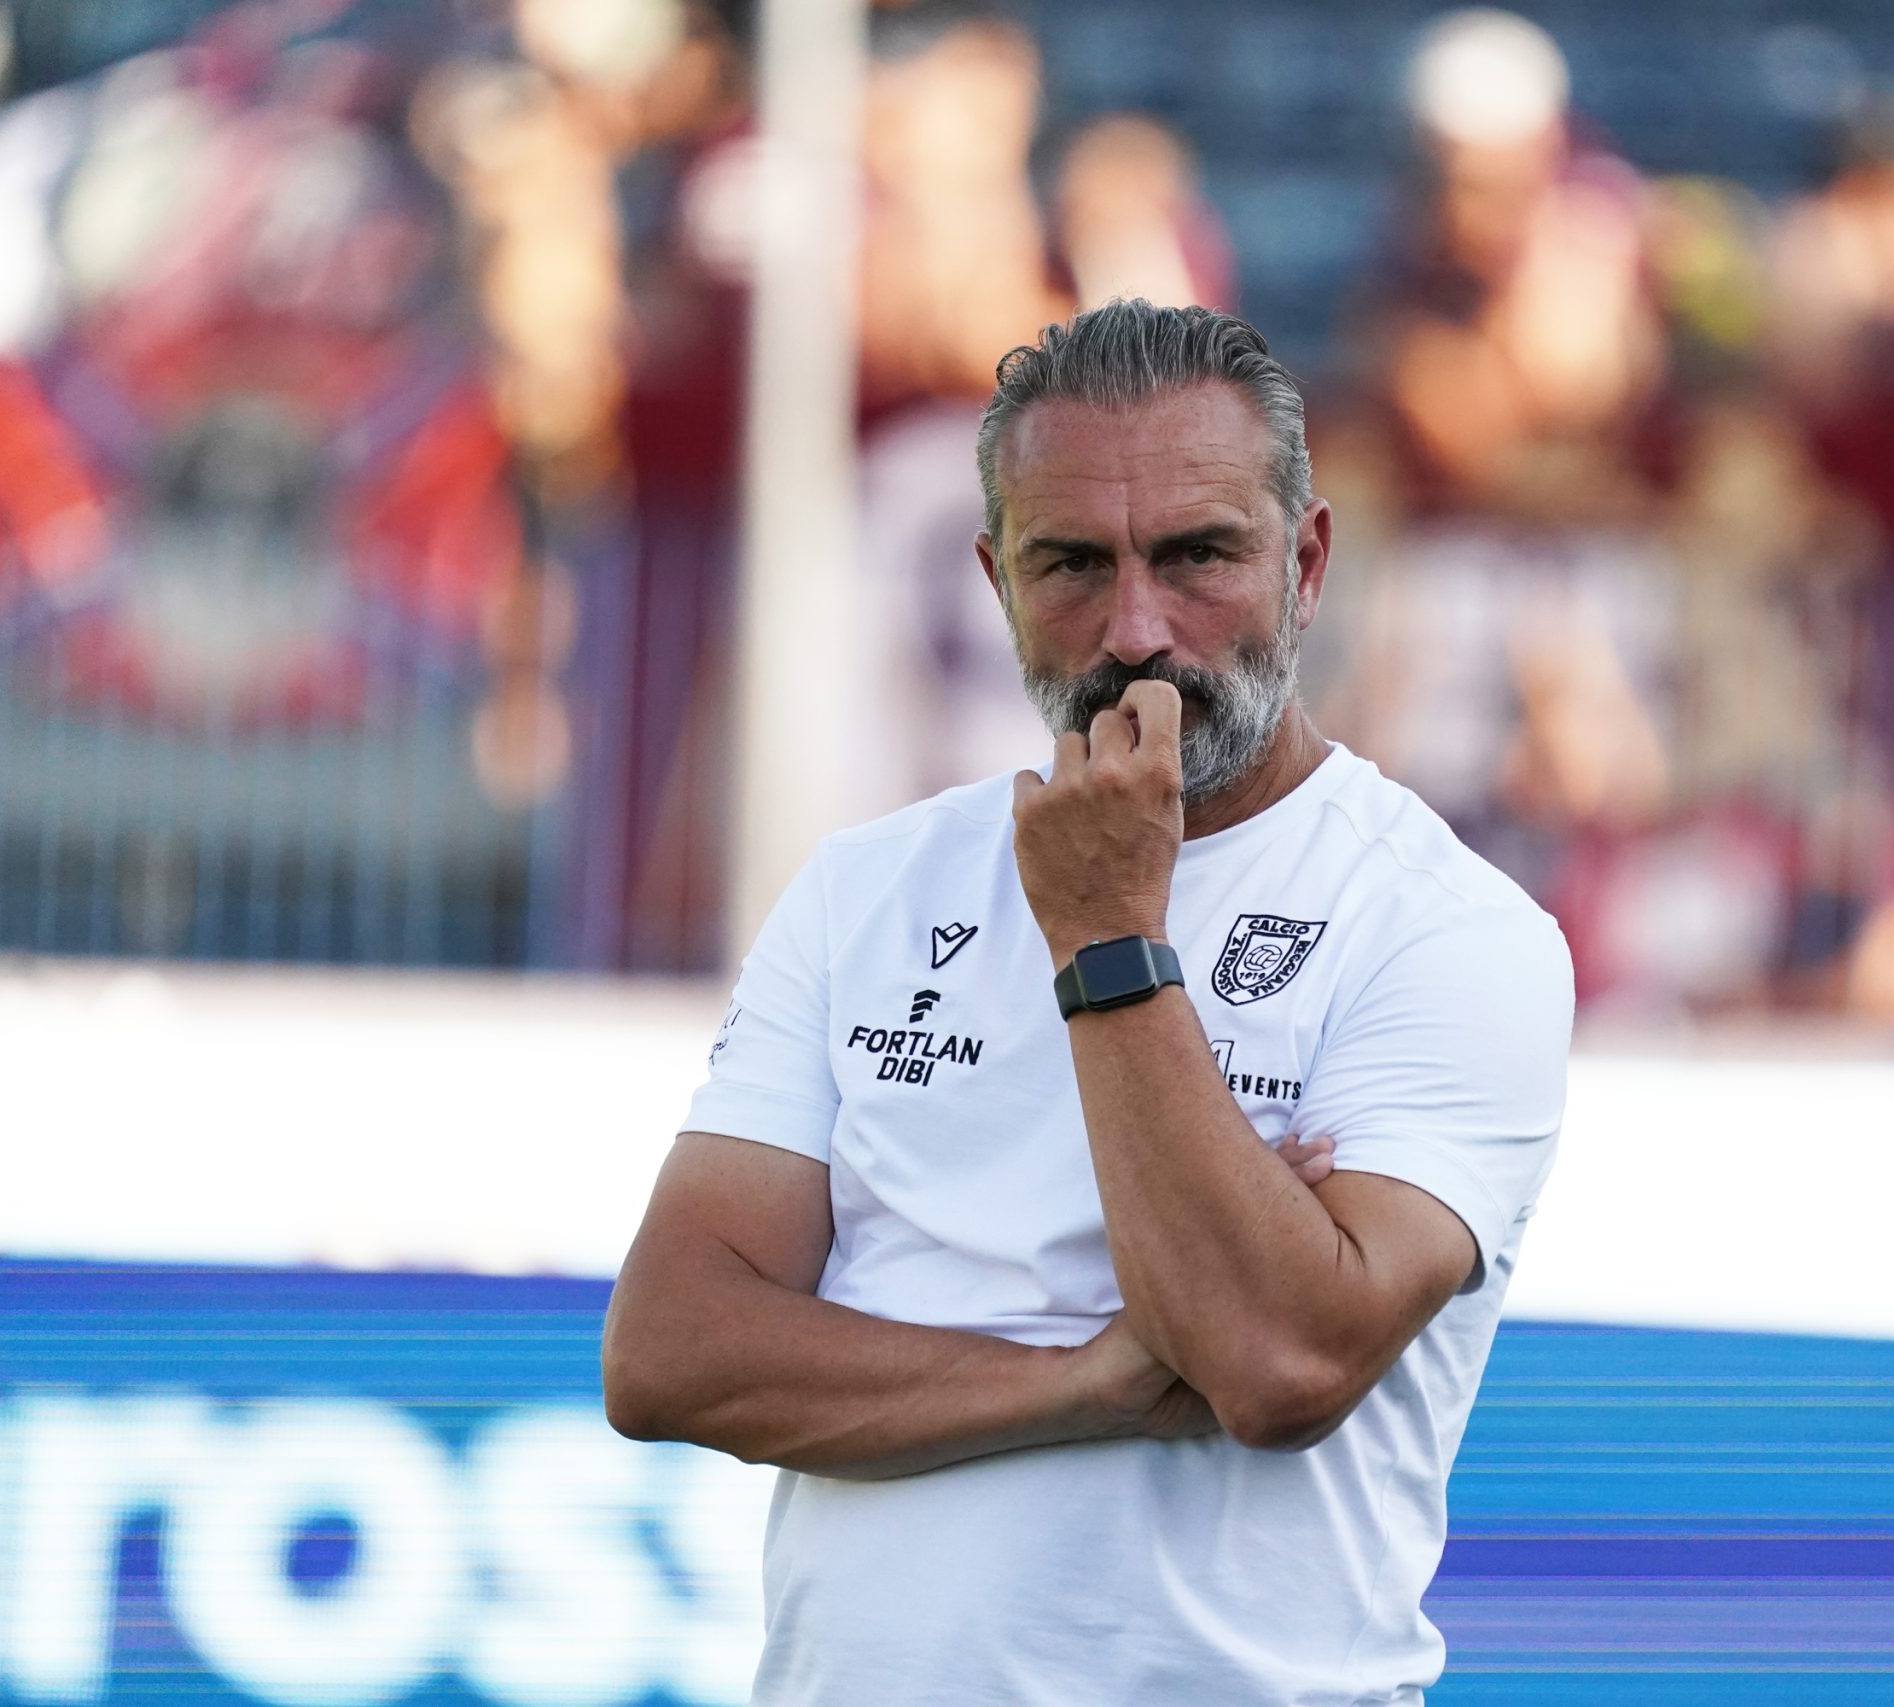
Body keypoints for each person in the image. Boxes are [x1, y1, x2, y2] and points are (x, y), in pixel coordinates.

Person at [601, 300, 1575, 1703]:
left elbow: (1276, 1361)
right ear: (995, 578)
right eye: (1072, 563)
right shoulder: (868, 887)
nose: (1136, 627)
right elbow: (672, 1351)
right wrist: (1087, 1383)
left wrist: (1110, 937)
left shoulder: (1449, 929)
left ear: (1305, 562)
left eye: (1197, 556)